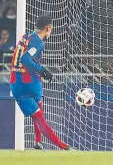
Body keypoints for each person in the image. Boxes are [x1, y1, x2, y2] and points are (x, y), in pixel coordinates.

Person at [9, 15, 73, 150]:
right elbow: (25, 60)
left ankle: (38, 142)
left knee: (38, 113)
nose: (50, 32)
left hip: (20, 80)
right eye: (51, 30)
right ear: (47, 28)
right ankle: (64, 147)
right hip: (26, 83)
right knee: (40, 119)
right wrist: (42, 70)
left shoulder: (26, 36)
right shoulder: (39, 42)